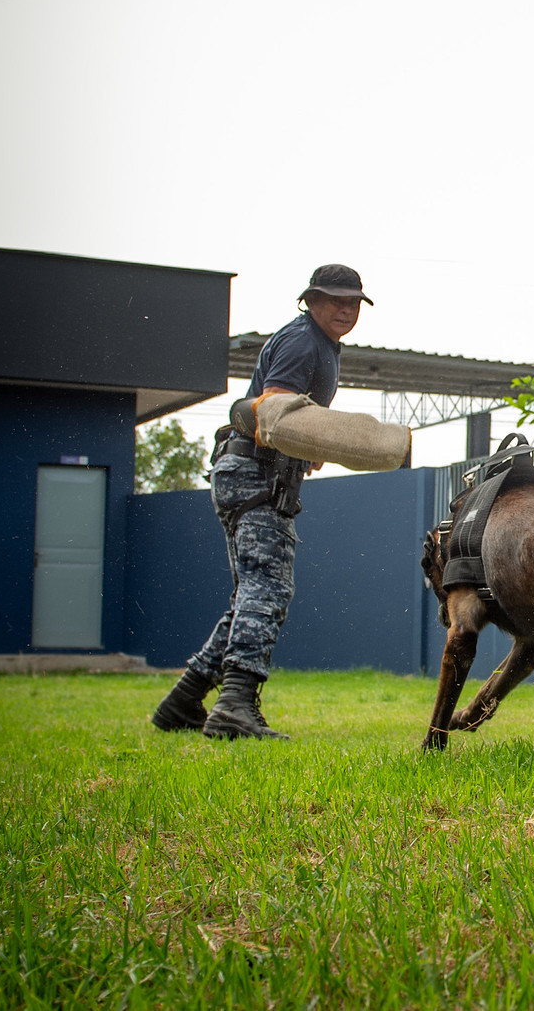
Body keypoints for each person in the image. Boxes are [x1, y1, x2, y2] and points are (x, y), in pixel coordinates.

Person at [149, 264, 372, 741]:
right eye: (335, 299)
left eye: (353, 301)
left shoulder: (321, 344)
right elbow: (274, 409)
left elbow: (290, 420)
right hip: (256, 473)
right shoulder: (303, 341)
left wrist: (309, 447)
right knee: (267, 588)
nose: (345, 309)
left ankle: (184, 700)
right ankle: (234, 705)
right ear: (311, 300)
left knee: (252, 592)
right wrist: (312, 439)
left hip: (252, 471)